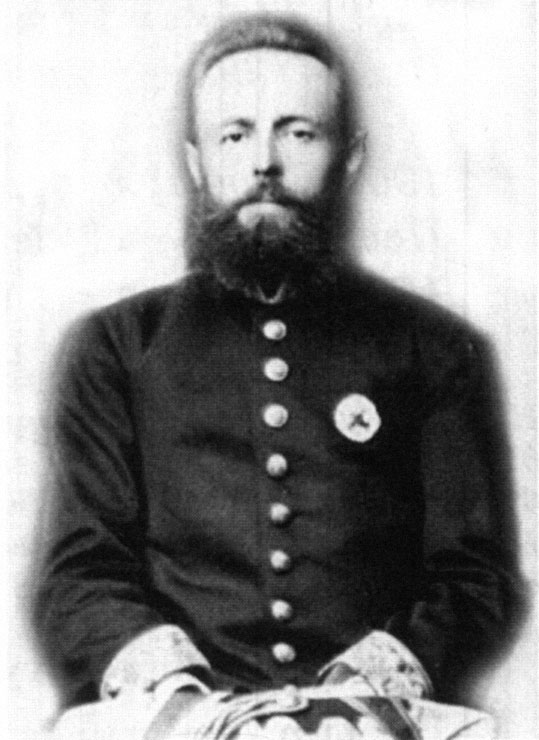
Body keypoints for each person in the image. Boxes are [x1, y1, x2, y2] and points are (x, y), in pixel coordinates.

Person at [35, 13, 524, 740]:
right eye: (235, 136)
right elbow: (80, 574)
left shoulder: (435, 348)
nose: (265, 162)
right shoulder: (116, 347)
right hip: (181, 718)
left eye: (298, 133)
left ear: (349, 158)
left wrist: (360, 697)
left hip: (376, 721)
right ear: (197, 162)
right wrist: (186, 701)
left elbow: (474, 576)